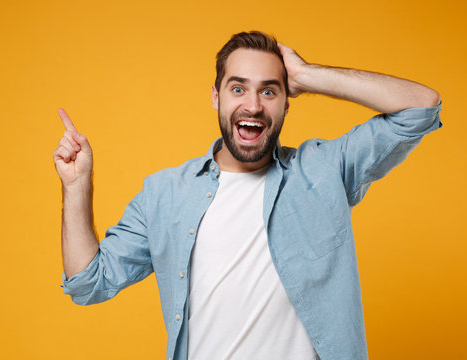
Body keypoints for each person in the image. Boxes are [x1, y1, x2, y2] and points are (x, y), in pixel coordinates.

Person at [53, 31, 442, 360]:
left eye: (269, 91)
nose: (252, 105)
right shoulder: (165, 194)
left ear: (287, 102)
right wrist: (77, 187)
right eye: (237, 88)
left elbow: (420, 108)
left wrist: (308, 74)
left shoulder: (324, 170)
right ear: (216, 97)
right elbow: (89, 283)